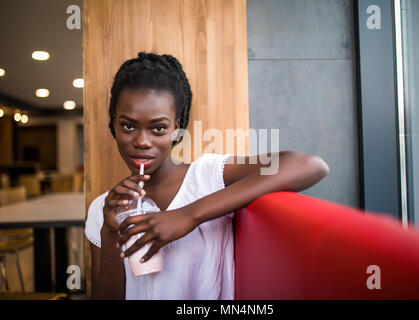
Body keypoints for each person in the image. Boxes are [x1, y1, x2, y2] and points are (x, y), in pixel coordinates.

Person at [84, 52, 330, 300]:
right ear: (112, 124)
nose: (141, 141)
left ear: (177, 128)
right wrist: (109, 232)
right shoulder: (101, 210)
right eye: (128, 125)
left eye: (159, 128)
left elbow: (310, 166)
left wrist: (189, 215)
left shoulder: (208, 177)